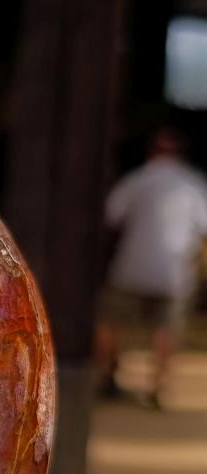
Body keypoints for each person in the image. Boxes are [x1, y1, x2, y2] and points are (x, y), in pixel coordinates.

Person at [96, 127, 207, 408]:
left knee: (112, 321)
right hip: (174, 271)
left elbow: (111, 216)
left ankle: (107, 376)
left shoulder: (136, 180)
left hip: (131, 266)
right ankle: (158, 386)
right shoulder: (193, 185)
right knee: (167, 329)